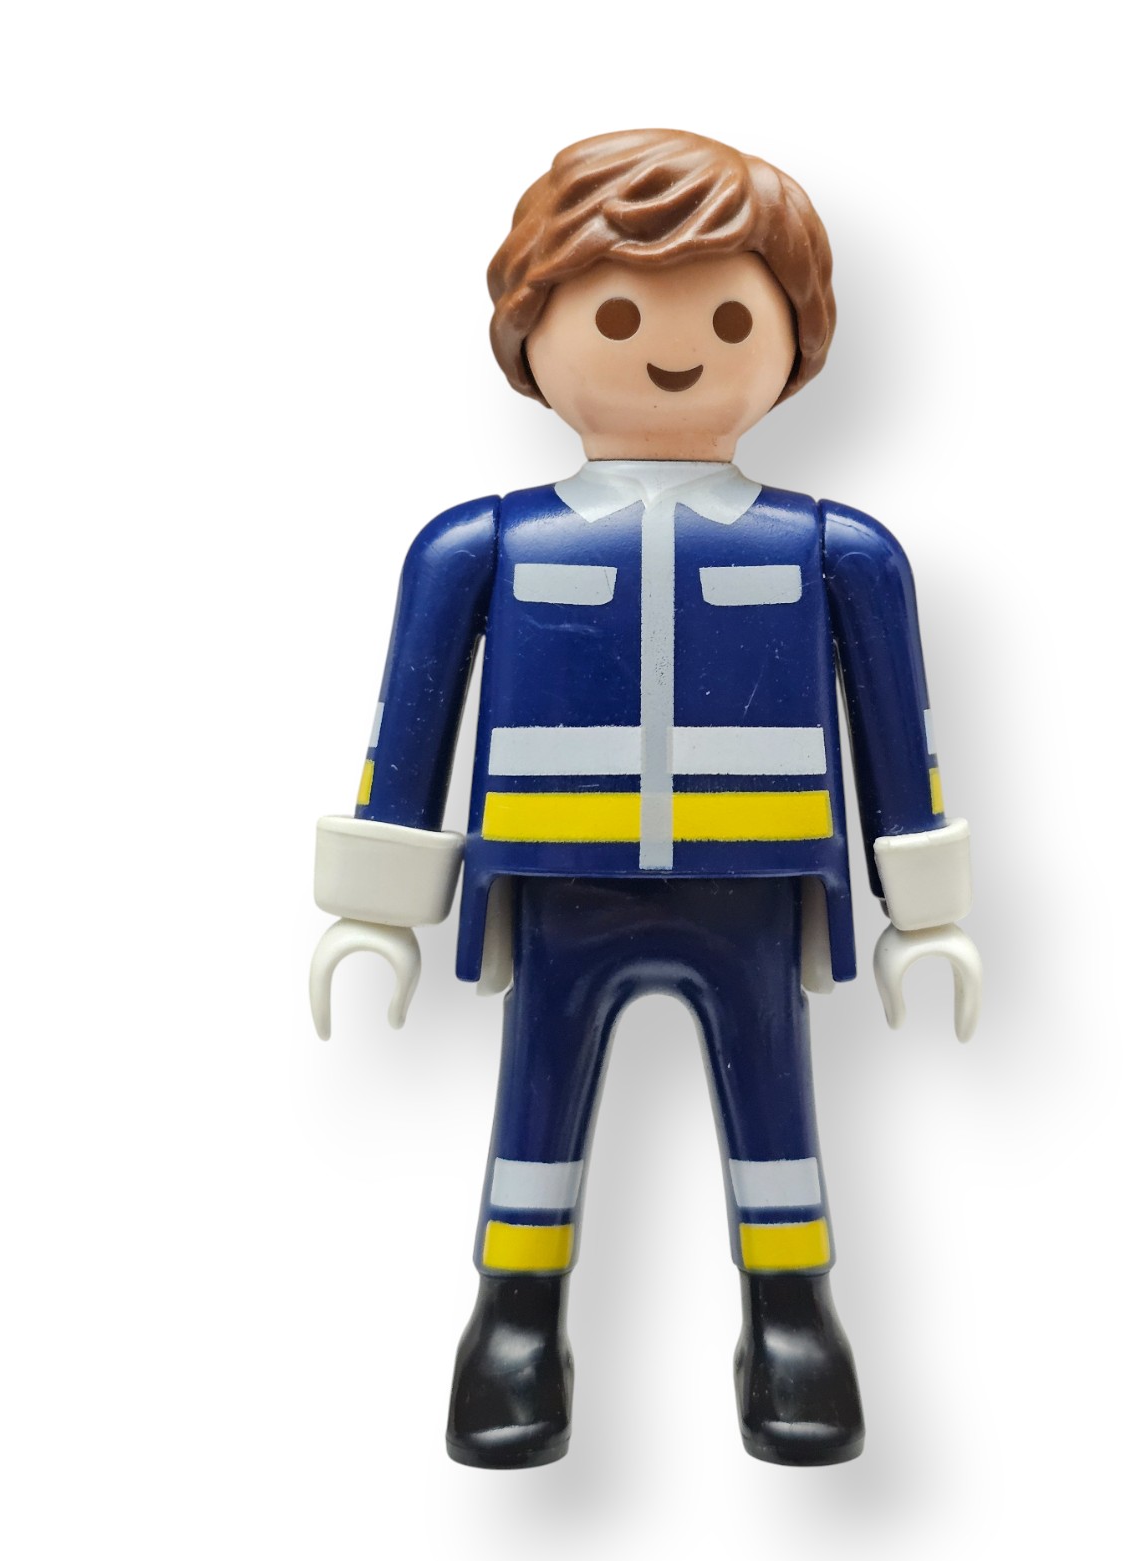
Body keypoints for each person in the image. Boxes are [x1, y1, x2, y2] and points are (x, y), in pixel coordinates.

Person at [309, 129, 981, 1468]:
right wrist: (374, 908)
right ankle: (515, 1318)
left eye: (729, 318)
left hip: (754, 885)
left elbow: (901, 742)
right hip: (560, 881)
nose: (674, 351)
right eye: (617, 316)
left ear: (793, 340)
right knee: (537, 1099)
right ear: (532, 330)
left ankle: (792, 1316)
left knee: (776, 1104)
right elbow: (409, 729)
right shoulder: (482, 545)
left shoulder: (836, 551)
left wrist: (926, 911)